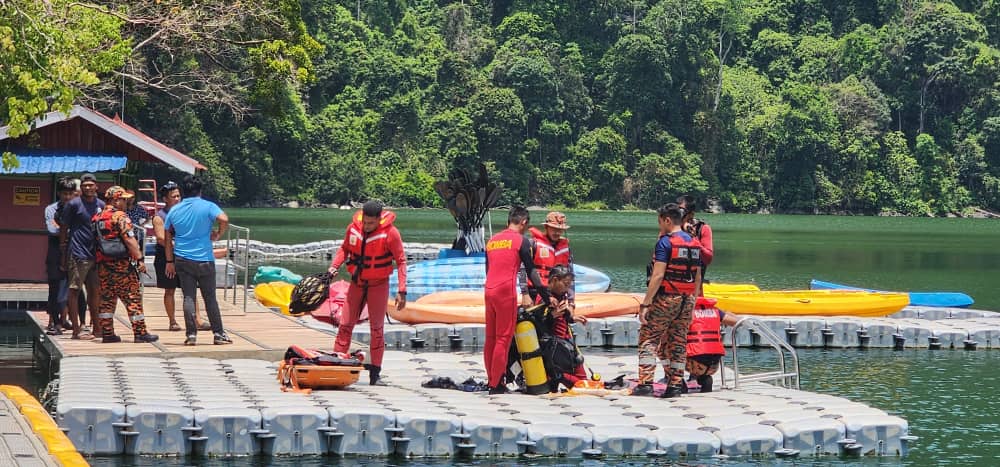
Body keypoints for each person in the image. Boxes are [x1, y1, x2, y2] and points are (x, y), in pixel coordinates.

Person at [327, 200, 407, 386]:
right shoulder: (353, 229)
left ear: (379, 220)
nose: (367, 226)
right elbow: (344, 249)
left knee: (377, 329)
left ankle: (375, 374)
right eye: (365, 222)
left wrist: (402, 290)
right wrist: (333, 267)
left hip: (378, 285)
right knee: (345, 325)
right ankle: (338, 367)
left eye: (371, 223)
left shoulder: (391, 234)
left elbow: (401, 261)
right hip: (357, 283)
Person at [635, 203, 702, 398]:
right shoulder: (694, 243)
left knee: (648, 337)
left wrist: (645, 304)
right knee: (678, 341)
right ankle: (675, 385)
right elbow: (697, 277)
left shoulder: (666, 242)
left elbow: (657, 276)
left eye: (659, 222)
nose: (659, 227)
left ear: (666, 220)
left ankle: (645, 383)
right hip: (687, 298)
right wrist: (693, 301)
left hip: (667, 297)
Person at [484, 205, 549, 395]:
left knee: (490, 339)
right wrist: (546, 296)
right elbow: (531, 272)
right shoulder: (521, 241)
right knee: (503, 339)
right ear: (524, 222)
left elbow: (488, 271)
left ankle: (491, 380)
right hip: (505, 292)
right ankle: (496, 385)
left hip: (488, 290)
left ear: (508, 221)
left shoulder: (492, 240)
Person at [164, 175, 231, 346]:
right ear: (200, 191)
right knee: (210, 298)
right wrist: (218, 233)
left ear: (184, 192)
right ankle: (218, 334)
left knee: (188, 297)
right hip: (205, 259)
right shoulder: (208, 206)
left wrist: (169, 261)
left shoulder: (174, 210)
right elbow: (224, 219)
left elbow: (167, 239)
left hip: (182, 259)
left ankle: (191, 334)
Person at [93, 186, 159, 343]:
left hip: (103, 266)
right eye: (124, 199)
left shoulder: (97, 217)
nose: (126, 202)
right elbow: (130, 240)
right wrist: (140, 259)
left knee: (107, 300)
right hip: (122, 266)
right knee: (132, 297)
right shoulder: (120, 217)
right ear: (116, 200)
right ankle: (140, 333)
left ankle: (107, 333)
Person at [153, 181, 208, 332]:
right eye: (173, 196)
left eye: (178, 196)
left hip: (185, 256)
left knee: (190, 289)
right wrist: (178, 248)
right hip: (166, 257)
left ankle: (197, 320)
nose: (177, 199)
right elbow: (160, 238)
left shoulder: (185, 213)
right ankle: (172, 321)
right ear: (165, 199)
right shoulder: (160, 217)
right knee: (169, 289)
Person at [59, 173, 105, 340]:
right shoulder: (73, 204)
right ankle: (76, 329)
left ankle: (97, 327)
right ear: (81, 188)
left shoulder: (101, 205)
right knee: (74, 290)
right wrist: (63, 252)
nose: (88, 188)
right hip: (77, 253)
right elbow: (63, 228)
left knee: (95, 291)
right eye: (85, 185)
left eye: (91, 185)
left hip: (96, 255)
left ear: (96, 186)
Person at [539, 264, 589, 390]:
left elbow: (562, 317)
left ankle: (558, 376)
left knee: (582, 379)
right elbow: (538, 324)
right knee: (579, 384)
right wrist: (552, 316)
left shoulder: (561, 296)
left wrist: (572, 318)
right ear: (555, 280)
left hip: (566, 342)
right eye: (566, 284)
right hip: (554, 347)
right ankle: (557, 376)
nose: (567, 288)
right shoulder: (544, 298)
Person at [44, 178, 80, 335]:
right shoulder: (51, 209)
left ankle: (80, 323)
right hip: (55, 249)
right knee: (54, 286)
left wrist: (66, 231)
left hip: (75, 250)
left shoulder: (77, 208)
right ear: (59, 193)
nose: (67, 197)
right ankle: (56, 323)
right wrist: (68, 231)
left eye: (70, 194)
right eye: (64, 193)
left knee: (77, 288)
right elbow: (52, 230)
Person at [685, 297, 740, 393]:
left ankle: (675, 382)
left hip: (694, 363)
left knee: (666, 346)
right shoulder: (715, 310)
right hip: (714, 364)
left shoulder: (685, 309)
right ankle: (704, 379)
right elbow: (737, 322)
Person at [527, 211, 574, 307]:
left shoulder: (566, 248)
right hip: (536, 292)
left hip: (558, 293)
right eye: (554, 229)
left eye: (560, 230)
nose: (557, 232)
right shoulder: (533, 244)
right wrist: (525, 293)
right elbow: (523, 270)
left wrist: (571, 301)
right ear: (546, 227)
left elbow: (570, 276)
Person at [677, 195, 713, 283]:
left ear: (691, 214)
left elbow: (708, 259)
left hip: (693, 284)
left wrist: (693, 237)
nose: (678, 213)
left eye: (682, 211)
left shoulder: (703, 229)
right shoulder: (671, 228)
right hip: (670, 283)